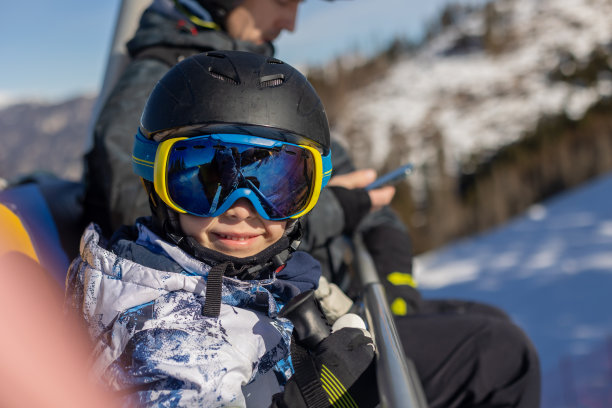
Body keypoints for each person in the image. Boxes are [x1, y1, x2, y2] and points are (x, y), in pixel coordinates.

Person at [66, 50, 378, 408]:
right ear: (156, 186)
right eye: (206, 182)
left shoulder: (246, 274)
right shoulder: (162, 338)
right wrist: (319, 399)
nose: (241, 209)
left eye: (274, 185)